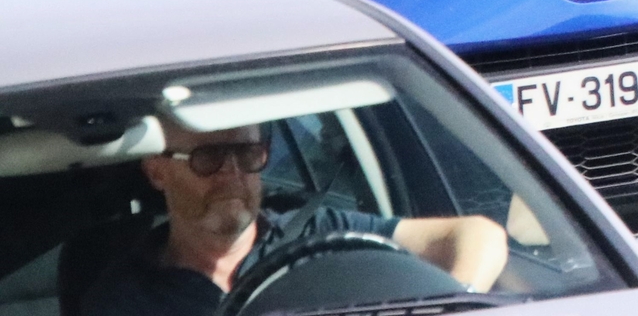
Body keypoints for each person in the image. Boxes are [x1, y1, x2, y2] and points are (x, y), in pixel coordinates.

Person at [80, 121, 509, 316]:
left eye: (247, 154)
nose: (232, 174)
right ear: (158, 171)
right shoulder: (126, 296)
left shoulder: (318, 231)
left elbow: (477, 233)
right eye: (208, 158)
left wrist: (457, 303)